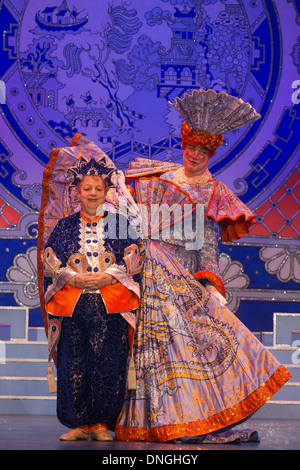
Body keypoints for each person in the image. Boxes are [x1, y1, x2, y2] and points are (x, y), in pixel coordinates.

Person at [114, 89, 292, 443]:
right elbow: (129, 221)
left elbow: (207, 247)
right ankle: (144, 420)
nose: (194, 155)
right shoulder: (157, 178)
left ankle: (183, 419)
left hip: (181, 278)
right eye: (190, 148)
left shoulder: (214, 192)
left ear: (212, 153)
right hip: (146, 271)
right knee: (147, 349)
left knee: (185, 351)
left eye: (203, 151)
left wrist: (210, 285)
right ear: (183, 145)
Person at [39, 154, 141, 441]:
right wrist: (73, 277)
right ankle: (79, 423)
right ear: (78, 192)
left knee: (108, 363)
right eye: (87, 189)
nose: (93, 194)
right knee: (74, 362)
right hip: (74, 305)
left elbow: (135, 260)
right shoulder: (65, 226)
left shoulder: (121, 224)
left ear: (107, 192)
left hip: (111, 305)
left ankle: (99, 423)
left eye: (98, 189)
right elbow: (50, 262)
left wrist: (109, 276)